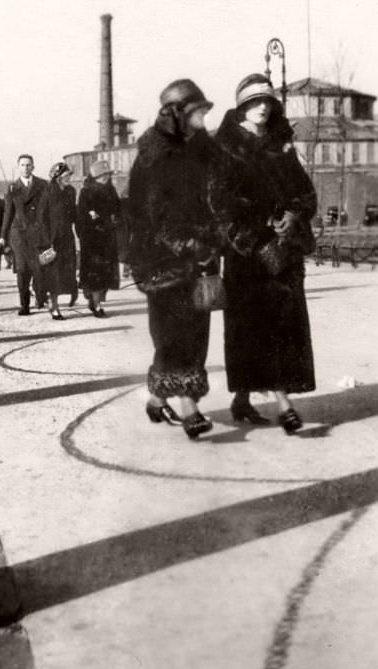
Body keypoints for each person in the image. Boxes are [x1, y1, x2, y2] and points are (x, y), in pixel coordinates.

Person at [210, 73, 317, 434]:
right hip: (247, 254)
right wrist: (254, 236)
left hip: (283, 253)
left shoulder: (279, 144)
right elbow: (219, 205)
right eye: (255, 102)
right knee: (248, 329)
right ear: (241, 106)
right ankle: (276, 404)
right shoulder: (223, 148)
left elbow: (305, 191)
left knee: (283, 326)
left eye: (267, 102)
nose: (262, 107)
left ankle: (257, 399)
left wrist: (294, 215)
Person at [128, 79, 219, 439]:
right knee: (171, 335)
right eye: (198, 112)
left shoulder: (201, 149)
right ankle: (189, 408)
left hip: (199, 256)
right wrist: (189, 244)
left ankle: (156, 400)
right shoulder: (153, 156)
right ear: (177, 113)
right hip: (161, 261)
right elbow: (154, 214)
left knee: (195, 334)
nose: (203, 117)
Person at [1, 155, 48, 315]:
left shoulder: (42, 185)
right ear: (18, 167)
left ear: (33, 167)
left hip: (37, 233)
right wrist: (3, 235)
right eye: (23, 165)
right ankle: (24, 305)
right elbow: (8, 213)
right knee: (22, 271)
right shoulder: (13, 188)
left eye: (29, 165)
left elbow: (47, 210)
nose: (26, 168)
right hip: (19, 235)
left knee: (39, 269)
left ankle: (40, 297)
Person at [77, 160, 121, 317]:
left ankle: (95, 299)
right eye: (102, 175)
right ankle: (96, 305)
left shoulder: (111, 190)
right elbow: (81, 217)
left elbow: (118, 209)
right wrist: (91, 221)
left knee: (106, 273)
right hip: (92, 239)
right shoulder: (86, 192)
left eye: (107, 175)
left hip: (108, 237)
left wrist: (113, 218)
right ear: (95, 176)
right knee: (96, 273)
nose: (106, 178)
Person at [36, 162, 79, 320]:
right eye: (66, 176)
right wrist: (47, 241)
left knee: (66, 272)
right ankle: (54, 307)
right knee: (53, 275)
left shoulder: (71, 191)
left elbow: (74, 214)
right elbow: (41, 218)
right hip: (52, 240)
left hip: (67, 238)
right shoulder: (48, 192)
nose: (69, 178)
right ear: (57, 177)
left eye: (69, 175)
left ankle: (65, 298)